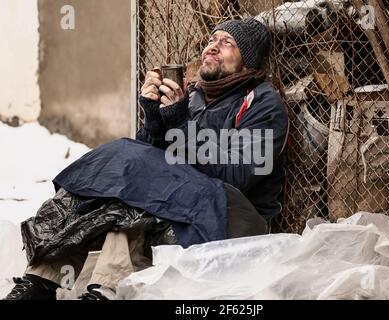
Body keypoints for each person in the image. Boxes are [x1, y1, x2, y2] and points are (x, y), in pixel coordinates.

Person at [3, 18, 288, 300]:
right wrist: (154, 116)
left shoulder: (263, 105)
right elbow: (148, 156)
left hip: (235, 216)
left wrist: (179, 123)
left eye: (227, 44)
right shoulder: (193, 97)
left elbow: (237, 175)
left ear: (248, 61)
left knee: (141, 183)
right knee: (120, 178)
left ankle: (106, 288)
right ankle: (41, 280)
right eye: (212, 40)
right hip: (185, 198)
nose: (212, 47)